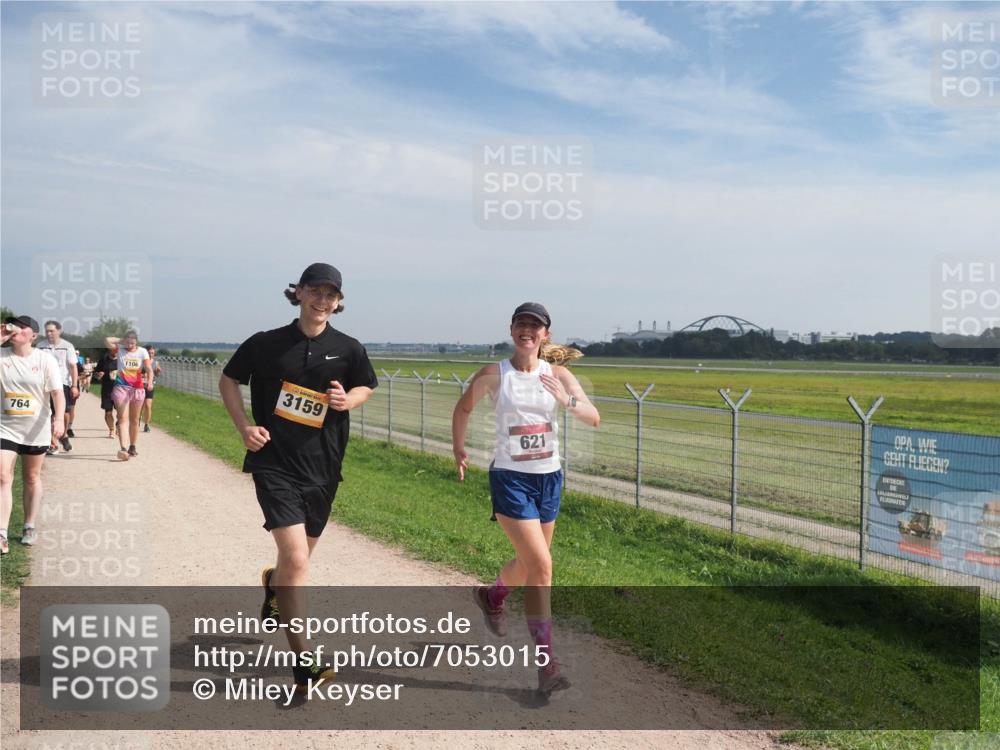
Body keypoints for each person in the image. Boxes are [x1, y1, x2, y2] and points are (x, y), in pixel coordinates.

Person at [218, 262, 377, 694]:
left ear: (339, 301)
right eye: (316, 292)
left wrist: (349, 400)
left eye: (331, 295)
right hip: (274, 463)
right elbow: (229, 380)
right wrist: (244, 427)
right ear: (300, 293)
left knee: (293, 564)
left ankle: (273, 583)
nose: (323, 301)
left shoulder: (348, 348)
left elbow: (366, 386)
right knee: (300, 563)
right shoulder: (267, 343)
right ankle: (303, 661)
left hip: (323, 467)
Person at [452, 302, 600, 696]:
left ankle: (492, 595)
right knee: (542, 567)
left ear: (545, 335)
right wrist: (459, 449)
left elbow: (593, 416)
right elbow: (463, 408)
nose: (527, 331)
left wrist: (566, 400)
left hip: (549, 478)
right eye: (521, 324)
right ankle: (546, 664)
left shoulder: (560, 374)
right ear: (512, 330)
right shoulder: (494, 375)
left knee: (530, 565)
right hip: (511, 479)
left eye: (535, 326)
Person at [1, 316, 65, 554]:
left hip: (36, 428)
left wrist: (58, 419)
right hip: (5, 426)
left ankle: (29, 525)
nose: (15, 328)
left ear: (33, 335)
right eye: (12, 324)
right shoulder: (2, 356)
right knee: (3, 476)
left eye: (22, 326)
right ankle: (2, 533)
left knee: (31, 477)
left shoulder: (44, 360)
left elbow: (58, 393)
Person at [105, 331, 153, 460]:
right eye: (128, 342)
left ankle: (132, 446)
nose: (130, 345)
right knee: (122, 418)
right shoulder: (120, 350)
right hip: (121, 387)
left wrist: (149, 381)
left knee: (135, 419)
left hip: (137, 388)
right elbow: (107, 340)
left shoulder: (142, 351)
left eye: (132, 343)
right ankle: (123, 448)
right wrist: (122, 340)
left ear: (137, 342)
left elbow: (148, 368)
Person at [36, 320, 78, 453]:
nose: (49, 333)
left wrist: (74, 385)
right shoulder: (40, 346)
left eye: (52, 331)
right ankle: (52, 442)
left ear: (59, 331)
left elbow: (72, 366)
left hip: (63, 383)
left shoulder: (67, 346)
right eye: (47, 331)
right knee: (48, 413)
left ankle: (63, 434)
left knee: (64, 413)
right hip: (45, 384)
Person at [93, 341, 120, 439]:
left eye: (118, 348)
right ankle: (112, 430)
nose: (116, 350)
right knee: (108, 412)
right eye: (114, 348)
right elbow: (96, 373)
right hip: (107, 389)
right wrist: (99, 375)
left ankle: (118, 425)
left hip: (120, 390)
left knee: (121, 413)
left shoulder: (122, 360)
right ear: (110, 349)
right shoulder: (104, 359)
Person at [142, 346, 162, 433]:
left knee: (148, 405)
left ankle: (146, 425)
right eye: (149, 353)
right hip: (140, 385)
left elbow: (157, 375)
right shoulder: (141, 362)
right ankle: (135, 421)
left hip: (150, 386)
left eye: (152, 353)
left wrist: (158, 371)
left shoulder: (156, 362)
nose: (151, 354)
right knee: (139, 406)